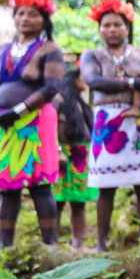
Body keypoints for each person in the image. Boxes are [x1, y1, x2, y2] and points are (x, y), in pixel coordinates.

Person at [0, 0, 66, 248]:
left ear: (44, 19)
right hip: (2, 124)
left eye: (32, 14)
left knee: (39, 184)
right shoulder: (1, 50)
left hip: (35, 122)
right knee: (8, 186)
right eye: (20, 14)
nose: (25, 19)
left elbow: (51, 88)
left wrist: (18, 110)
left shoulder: (50, 49)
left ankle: (49, 245)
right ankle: (5, 246)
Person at [83, 0, 140, 251]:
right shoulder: (92, 56)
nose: (111, 30)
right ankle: (101, 244)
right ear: (99, 29)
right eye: (106, 25)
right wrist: (135, 84)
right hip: (107, 122)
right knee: (105, 188)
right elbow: (93, 81)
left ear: (126, 27)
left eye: (116, 24)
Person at [53, 64, 94, 246]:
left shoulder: (80, 102)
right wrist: (58, 151)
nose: (85, 81)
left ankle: (78, 244)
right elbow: (50, 126)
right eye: (82, 77)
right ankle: (51, 242)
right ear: (74, 79)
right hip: (62, 155)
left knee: (79, 202)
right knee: (57, 201)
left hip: (81, 157)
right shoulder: (59, 100)